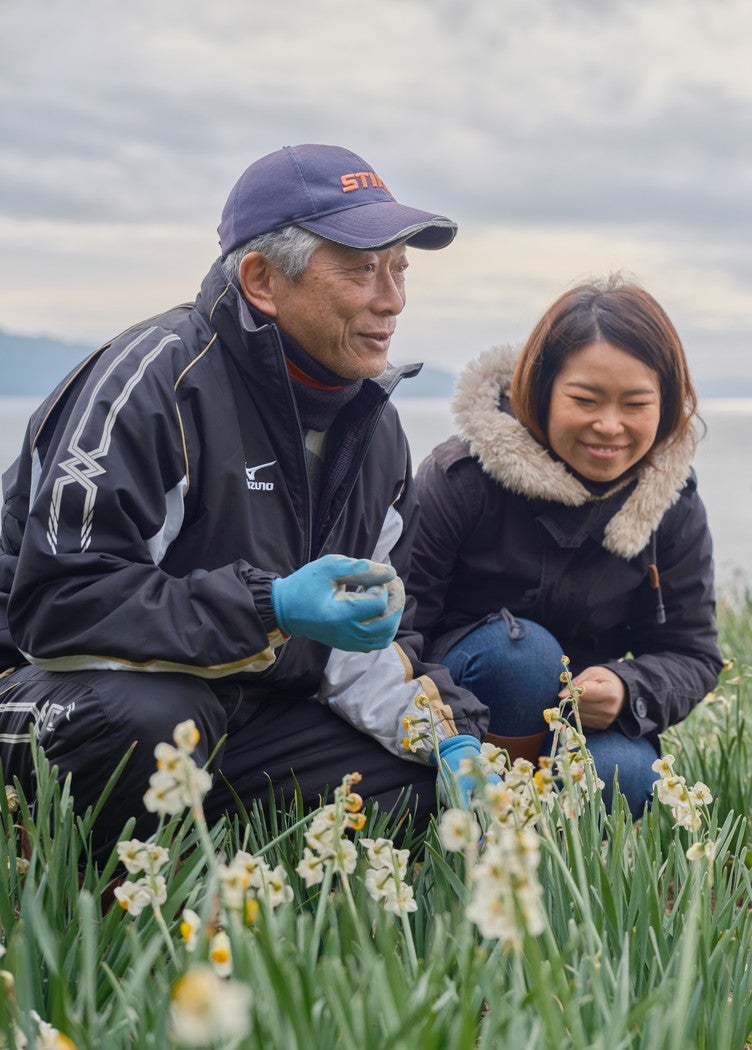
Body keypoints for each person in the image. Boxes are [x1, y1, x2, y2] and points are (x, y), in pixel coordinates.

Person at [0, 144, 491, 855]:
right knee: (159, 723)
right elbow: (57, 610)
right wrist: (274, 607)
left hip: (238, 709)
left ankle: (213, 847)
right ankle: (91, 884)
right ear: (262, 280)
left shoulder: (376, 430)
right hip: (47, 687)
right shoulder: (155, 382)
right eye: (361, 269)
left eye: (399, 269)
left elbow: (366, 643)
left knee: (407, 786)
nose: (393, 300)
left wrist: (448, 738)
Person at [404, 277, 723, 818]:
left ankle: (543, 850)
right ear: (540, 389)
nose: (609, 426)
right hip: (455, 716)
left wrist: (628, 687)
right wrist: (450, 722)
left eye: (636, 403)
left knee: (629, 776)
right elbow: (399, 632)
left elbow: (693, 653)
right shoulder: (461, 477)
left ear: (666, 405)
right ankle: (480, 814)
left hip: (579, 720)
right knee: (523, 656)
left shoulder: (667, 499)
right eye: (585, 399)